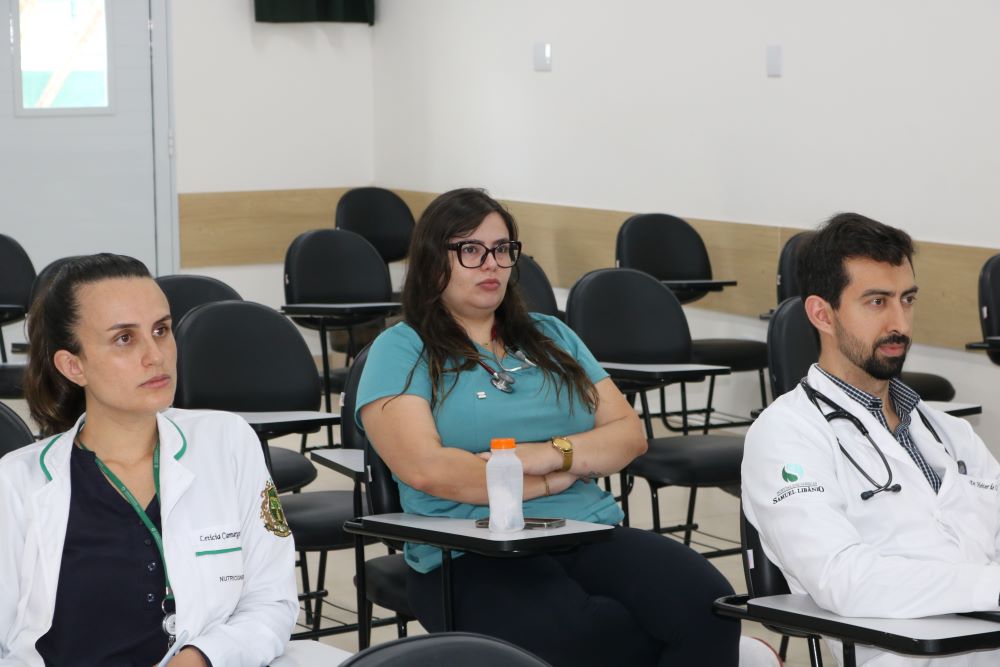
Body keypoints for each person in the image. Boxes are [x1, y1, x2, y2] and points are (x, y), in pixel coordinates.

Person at [356, 188, 740, 666]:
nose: (492, 264)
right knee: (598, 638)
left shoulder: (551, 334)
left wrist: (549, 454)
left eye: (502, 249)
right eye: (471, 250)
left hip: (584, 527)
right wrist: (551, 480)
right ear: (434, 261)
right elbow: (427, 469)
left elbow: (628, 434)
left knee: (709, 607)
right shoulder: (401, 348)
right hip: (468, 551)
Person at [0, 254, 297, 666]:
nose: (155, 355)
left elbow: (272, 602)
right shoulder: (16, 483)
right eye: (124, 338)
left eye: (161, 330)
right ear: (73, 366)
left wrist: (201, 657)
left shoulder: (227, 442)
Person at [742, 213, 1000, 666]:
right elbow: (842, 578)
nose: (900, 323)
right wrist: (990, 587)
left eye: (907, 299)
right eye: (877, 302)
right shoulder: (786, 435)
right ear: (822, 314)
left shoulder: (949, 433)